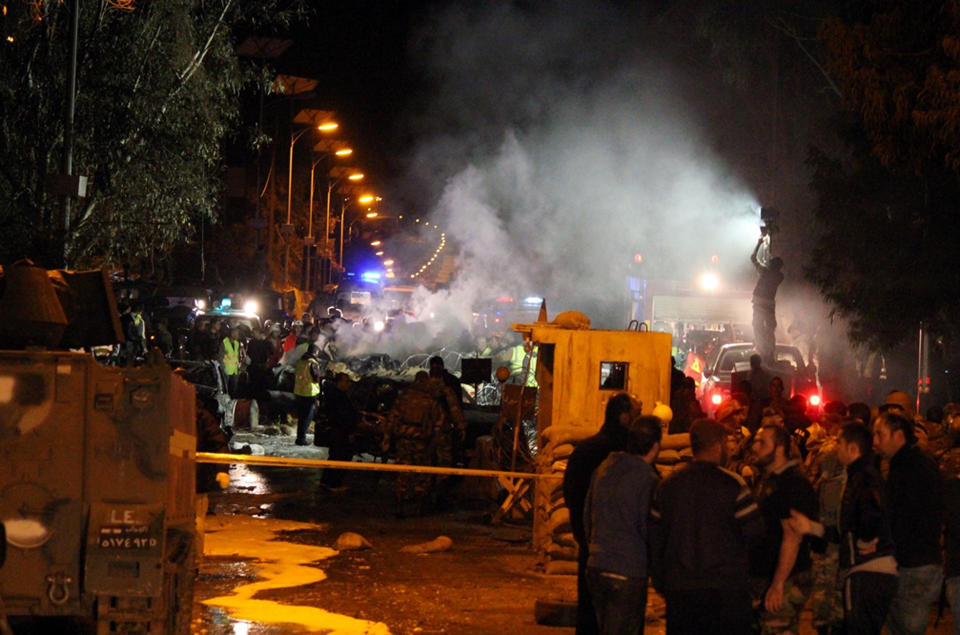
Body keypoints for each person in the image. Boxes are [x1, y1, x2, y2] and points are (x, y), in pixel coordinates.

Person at [649, 418, 764, 634]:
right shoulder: (733, 485)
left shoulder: (667, 486)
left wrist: (661, 580)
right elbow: (755, 534)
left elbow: (655, 538)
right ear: (719, 445)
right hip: (726, 591)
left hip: (680, 590)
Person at [788, 422, 898, 634]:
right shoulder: (863, 475)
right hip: (867, 571)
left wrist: (866, 539)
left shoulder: (863, 478)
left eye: (839, 443)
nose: (835, 448)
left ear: (852, 448)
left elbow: (869, 515)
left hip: (867, 572)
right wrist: (812, 527)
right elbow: (845, 531)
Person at [562, 393, 635, 635]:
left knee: (589, 610)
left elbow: (570, 495)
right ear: (625, 417)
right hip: (625, 553)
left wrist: (583, 537)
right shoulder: (632, 458)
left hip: (591, 547)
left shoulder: (584, 451)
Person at [582, 416, 661, 635]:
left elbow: (587, 515)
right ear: (655, 447)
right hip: (627, 571)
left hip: (597, 567)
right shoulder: (648, 479)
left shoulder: (604, 469)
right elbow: (650, 529)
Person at [872, 411, 943, 634]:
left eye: (880, 435)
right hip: (914, 561)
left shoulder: (911, 469)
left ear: (898, 436)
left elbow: (906, 517)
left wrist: (886, 547)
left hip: (913, 565)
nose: (875, 441)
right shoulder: (907, 464)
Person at [749, 423, 818, 634]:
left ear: (779, 449)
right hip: (765, 575)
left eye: (762, 442)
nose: (755, 447)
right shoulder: (769, 480)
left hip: (787, 578)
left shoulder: (793, 485)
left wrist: (778, 584)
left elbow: (792, 537)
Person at [385, 371, 444, 517]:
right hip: (423, 442)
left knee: (402, 473)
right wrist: (436, 442)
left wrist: (387, 439)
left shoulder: (403, 398)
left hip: (404, 440)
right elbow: (439, 423)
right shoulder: (431, 400)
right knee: (422, 474)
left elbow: (392, 419)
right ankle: (419, 508)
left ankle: (400, 506)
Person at [319, 372, 360, 490]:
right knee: (341, 456)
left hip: (337, 430)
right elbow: (344, 416)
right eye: (346, 381)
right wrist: (350, 431)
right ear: (339, 382)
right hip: (341, 431)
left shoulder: (335, 395)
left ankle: (326, 481)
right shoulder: (339, 397)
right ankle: (335, 483)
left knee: (334, 456)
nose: (348, 384)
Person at [751, 234, 784, 366]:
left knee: (757, 326)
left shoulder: (765, 272)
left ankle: (761, 350)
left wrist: (759, 243)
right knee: (770, 328)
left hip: (759, 300)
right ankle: (770, 352)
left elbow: (753, 258)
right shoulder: (780, 276)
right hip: (769, 303)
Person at [292, 344, 322, 446]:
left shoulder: (300, 361)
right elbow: (316, 377)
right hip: (310, 393)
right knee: (308, 416)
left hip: (299, 392)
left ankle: (299, 437)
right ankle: (301, 439)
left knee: (301, 416)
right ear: (315, 353)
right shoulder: (312, 363)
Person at [220, 327, 244, 397]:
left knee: (233, 390)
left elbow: (237, 357)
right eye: (236, 333)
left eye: (238, 334)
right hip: (226, 370)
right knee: (226, 390)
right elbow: (221, 357)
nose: (238, 335)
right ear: (232, 333)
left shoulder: (237, 343)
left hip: (235, 370)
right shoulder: (225, 342)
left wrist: (239, 368)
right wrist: (223, 368)